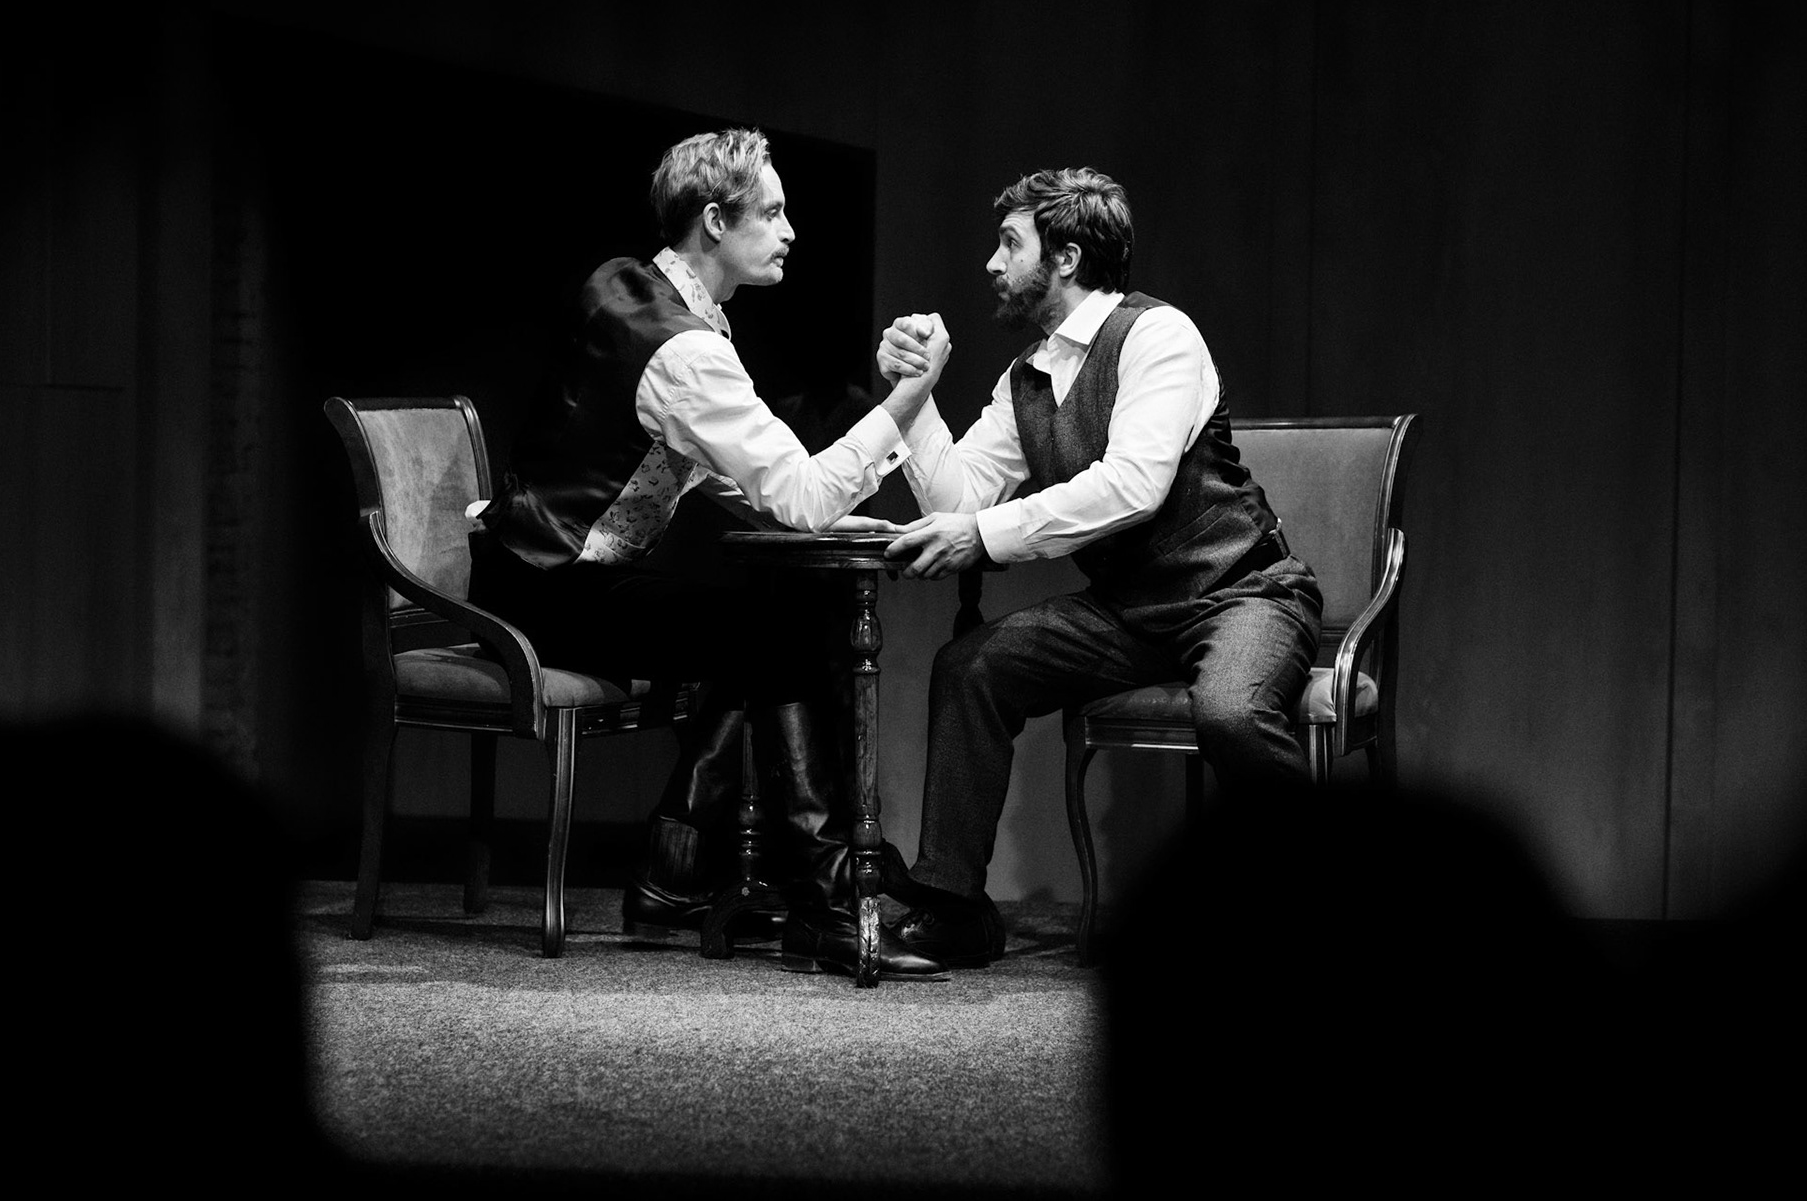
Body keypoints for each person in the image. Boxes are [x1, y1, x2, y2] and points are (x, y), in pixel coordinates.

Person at [472, 126, 951, 979]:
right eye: (772, 212)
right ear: (716, 222)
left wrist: (820, 514)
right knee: (775, 633)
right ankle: (828, 895)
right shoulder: (687, 350)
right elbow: (798, 493)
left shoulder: (630, 283)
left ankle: (681, 864)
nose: (791, 230)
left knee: (770, 621)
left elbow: (724, 474)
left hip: (522, 569)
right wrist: (910, 397)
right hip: (549, 589)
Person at [874, 167, 1324, 966]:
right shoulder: (1028, 377)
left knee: (1230, 712)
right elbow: (961, 496)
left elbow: (1132, 486)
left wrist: (984, 534)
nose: (991, 263)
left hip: (1241, 592)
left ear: (1067, 256)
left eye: (1010, 243)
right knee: (972, 666)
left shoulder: (1158, 336)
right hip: (1129, 613)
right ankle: (956, 909)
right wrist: (915, 395)